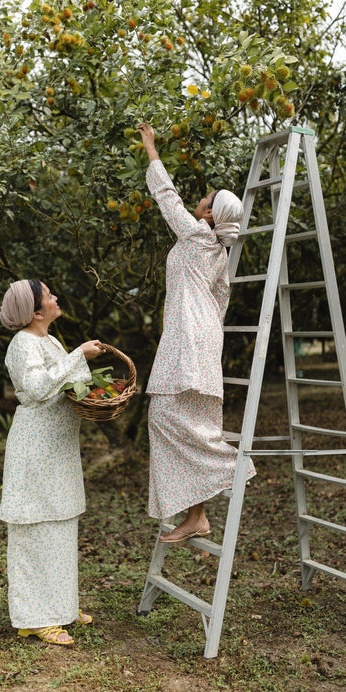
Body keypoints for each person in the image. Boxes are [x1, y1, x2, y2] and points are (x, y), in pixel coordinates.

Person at [137, 122, 256, 543]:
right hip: (204, 335)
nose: (197, 201)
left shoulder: (193, 234)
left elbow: (165, 197)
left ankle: (231, 467)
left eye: (203, 200)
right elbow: (221, 300)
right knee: (198, 421)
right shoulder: (218, 253)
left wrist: (151, 148)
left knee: (165, 414)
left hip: (189, 336)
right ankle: (198, 515)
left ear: (207, 215)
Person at [0, 279, 104, 646]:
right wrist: (77, 355)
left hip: (57, 446)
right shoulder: (23, 343)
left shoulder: (50, 341)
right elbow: (41, 388)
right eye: (49, 295)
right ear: (36, 311)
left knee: (60, 525)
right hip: (35, 447)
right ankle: (34, 618)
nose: (56, 297)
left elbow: (76, 383)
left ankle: (62, 607)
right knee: (35, 530)